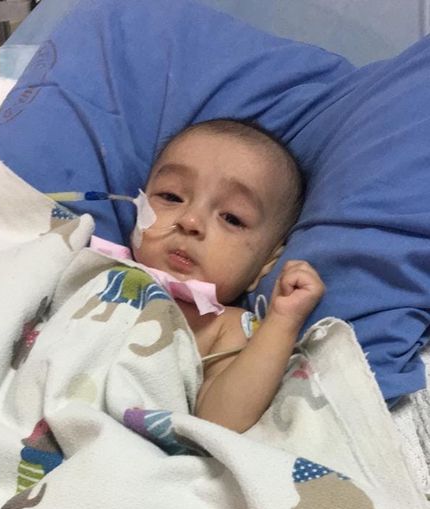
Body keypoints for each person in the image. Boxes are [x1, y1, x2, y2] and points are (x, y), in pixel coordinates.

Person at [96, 118, 325, 432]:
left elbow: (221, 420)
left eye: (231, 217)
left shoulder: (224, 325)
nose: (190, 220)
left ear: (266, 264)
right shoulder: (95, 264)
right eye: (171, 197)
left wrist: (282, 323)